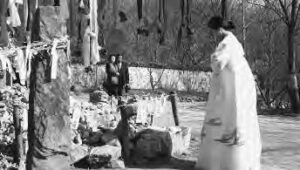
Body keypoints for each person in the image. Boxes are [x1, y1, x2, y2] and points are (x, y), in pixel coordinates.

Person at [195, 16, 261, 170]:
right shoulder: (234, 42)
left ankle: (225, 163)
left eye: (213, 31)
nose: (212, 35)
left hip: (233, 90)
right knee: (239, 120)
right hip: (241, 86)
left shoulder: (226, 43)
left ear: (218, 29)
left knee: (227, 119)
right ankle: (239, 161)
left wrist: (211, 58)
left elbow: (217, 62)